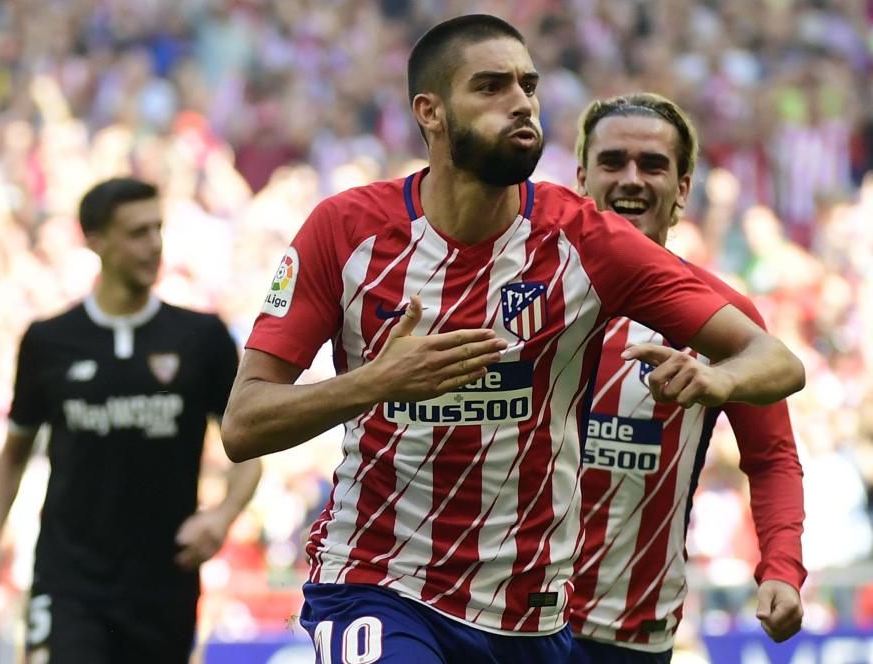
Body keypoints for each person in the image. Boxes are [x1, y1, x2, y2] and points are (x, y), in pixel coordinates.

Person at [221, 15, 804, 664]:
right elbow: (243, 424)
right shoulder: (345, 230)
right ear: (430, 112)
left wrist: (718, 380)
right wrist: (377, 382)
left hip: (532, 614)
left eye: (529, 85)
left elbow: (775, 363)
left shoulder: (588, 244)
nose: (521, 102)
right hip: (378, 583)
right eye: (492, 87)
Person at [0, 177, 261, 664]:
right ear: (96, 241)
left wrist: (222, 516)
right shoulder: (49, 341)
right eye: (137, 232)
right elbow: (13, 453)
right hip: (69, 579)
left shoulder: (201, 338)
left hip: (164, 579)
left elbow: (249, 452)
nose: (154, 245)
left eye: (158, 229)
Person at [567, 93, 806, 664]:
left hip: (628, 632)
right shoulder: (527, 294)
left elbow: (771, 458)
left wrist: (781, 566)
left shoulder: (724, 320)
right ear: (581, 178)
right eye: (613, 162)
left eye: (652, 166)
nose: (631, 180)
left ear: (682, 188)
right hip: (507, 619)